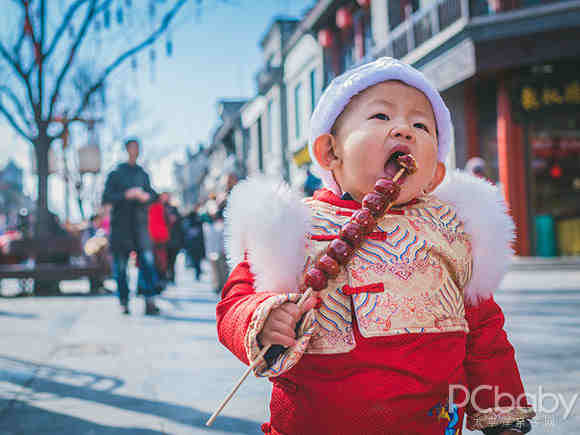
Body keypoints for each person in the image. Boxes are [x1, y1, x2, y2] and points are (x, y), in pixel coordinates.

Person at [216, 58, 534, 434]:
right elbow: (234, 302)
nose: (404, 129)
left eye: (420, 125)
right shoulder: (291, 226)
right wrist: (264, 318)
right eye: (381, 117)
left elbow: (484, 335)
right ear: (330, 153)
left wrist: (503, 415)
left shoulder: (454, 233)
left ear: (435, 175)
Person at [102, 138, 160, 315]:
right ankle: (124, 300)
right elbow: (107, 198)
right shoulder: (116, 173)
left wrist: (145, 197)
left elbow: (153, 195)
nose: (135, 151)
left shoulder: (143, 174)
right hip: (121, 226)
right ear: (127, 149)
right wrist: (126, 195)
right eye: (132, 148)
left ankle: (149, 300)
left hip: (140, 226)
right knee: (120, 267)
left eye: (137, 148)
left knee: (147, 263)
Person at [163, 193, 184, 284]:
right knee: (165, 260)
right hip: (164, 239)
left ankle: (172, 277)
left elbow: (180, 223)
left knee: (172, 260)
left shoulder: (174, 209)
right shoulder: (161, 208)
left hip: (174, 239)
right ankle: (166, 277)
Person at [184, 205, 205, 281]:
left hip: (194, 243)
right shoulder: (198, 219)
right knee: (197, 259)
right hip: (196, 243)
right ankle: (197, 272)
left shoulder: (190, 220)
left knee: (196, 259)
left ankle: (197, 272)